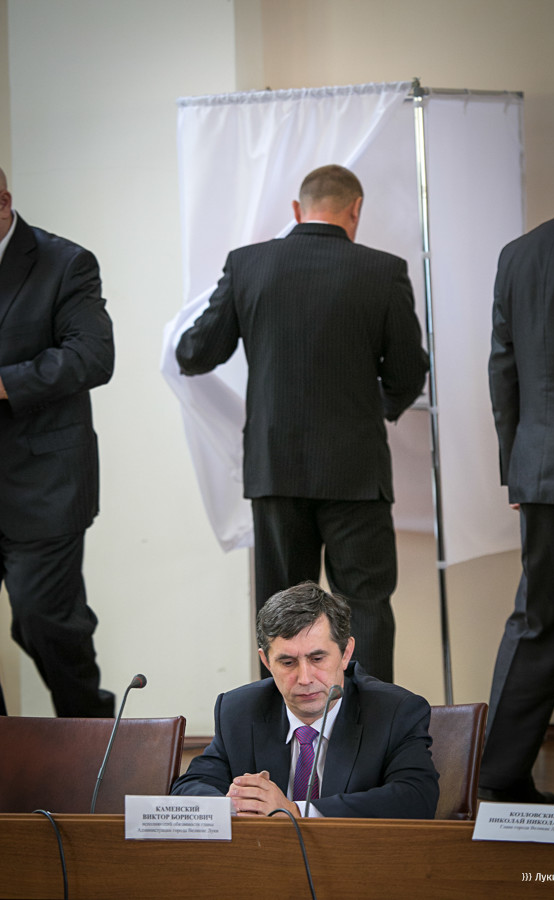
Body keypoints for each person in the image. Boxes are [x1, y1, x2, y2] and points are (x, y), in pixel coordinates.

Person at [176, 165, 428, 683]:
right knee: (365, 607)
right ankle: (372, 726)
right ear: (356, 209)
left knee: (281, 614)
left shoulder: (248, 265)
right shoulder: (384, 271)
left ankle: (278, 728)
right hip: (357, 472)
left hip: (276, 469)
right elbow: (408, 373)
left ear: (297, 210)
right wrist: (369, 409)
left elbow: (195, 353)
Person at [0, 155, 115, 741]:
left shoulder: (65, 262)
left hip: (43, 485)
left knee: (43, 623)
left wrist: (3, 383)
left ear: (3, 203)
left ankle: (97, 753)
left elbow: (93, 357)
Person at [479, 127, 554, 805]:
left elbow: (503, 368)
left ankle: (498, 777)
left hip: (540, 469)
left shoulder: (517, 254)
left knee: (537, 620)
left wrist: (516, 469)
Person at [171, 582, 439, 818]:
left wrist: (295, 811)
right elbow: (189, 787)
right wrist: (236, 804)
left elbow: (417, 798)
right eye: (287, 662)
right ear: (266, 662)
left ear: (346, 653)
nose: (305, 678)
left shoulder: (394, 711)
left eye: (317, 658)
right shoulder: (240, 710)